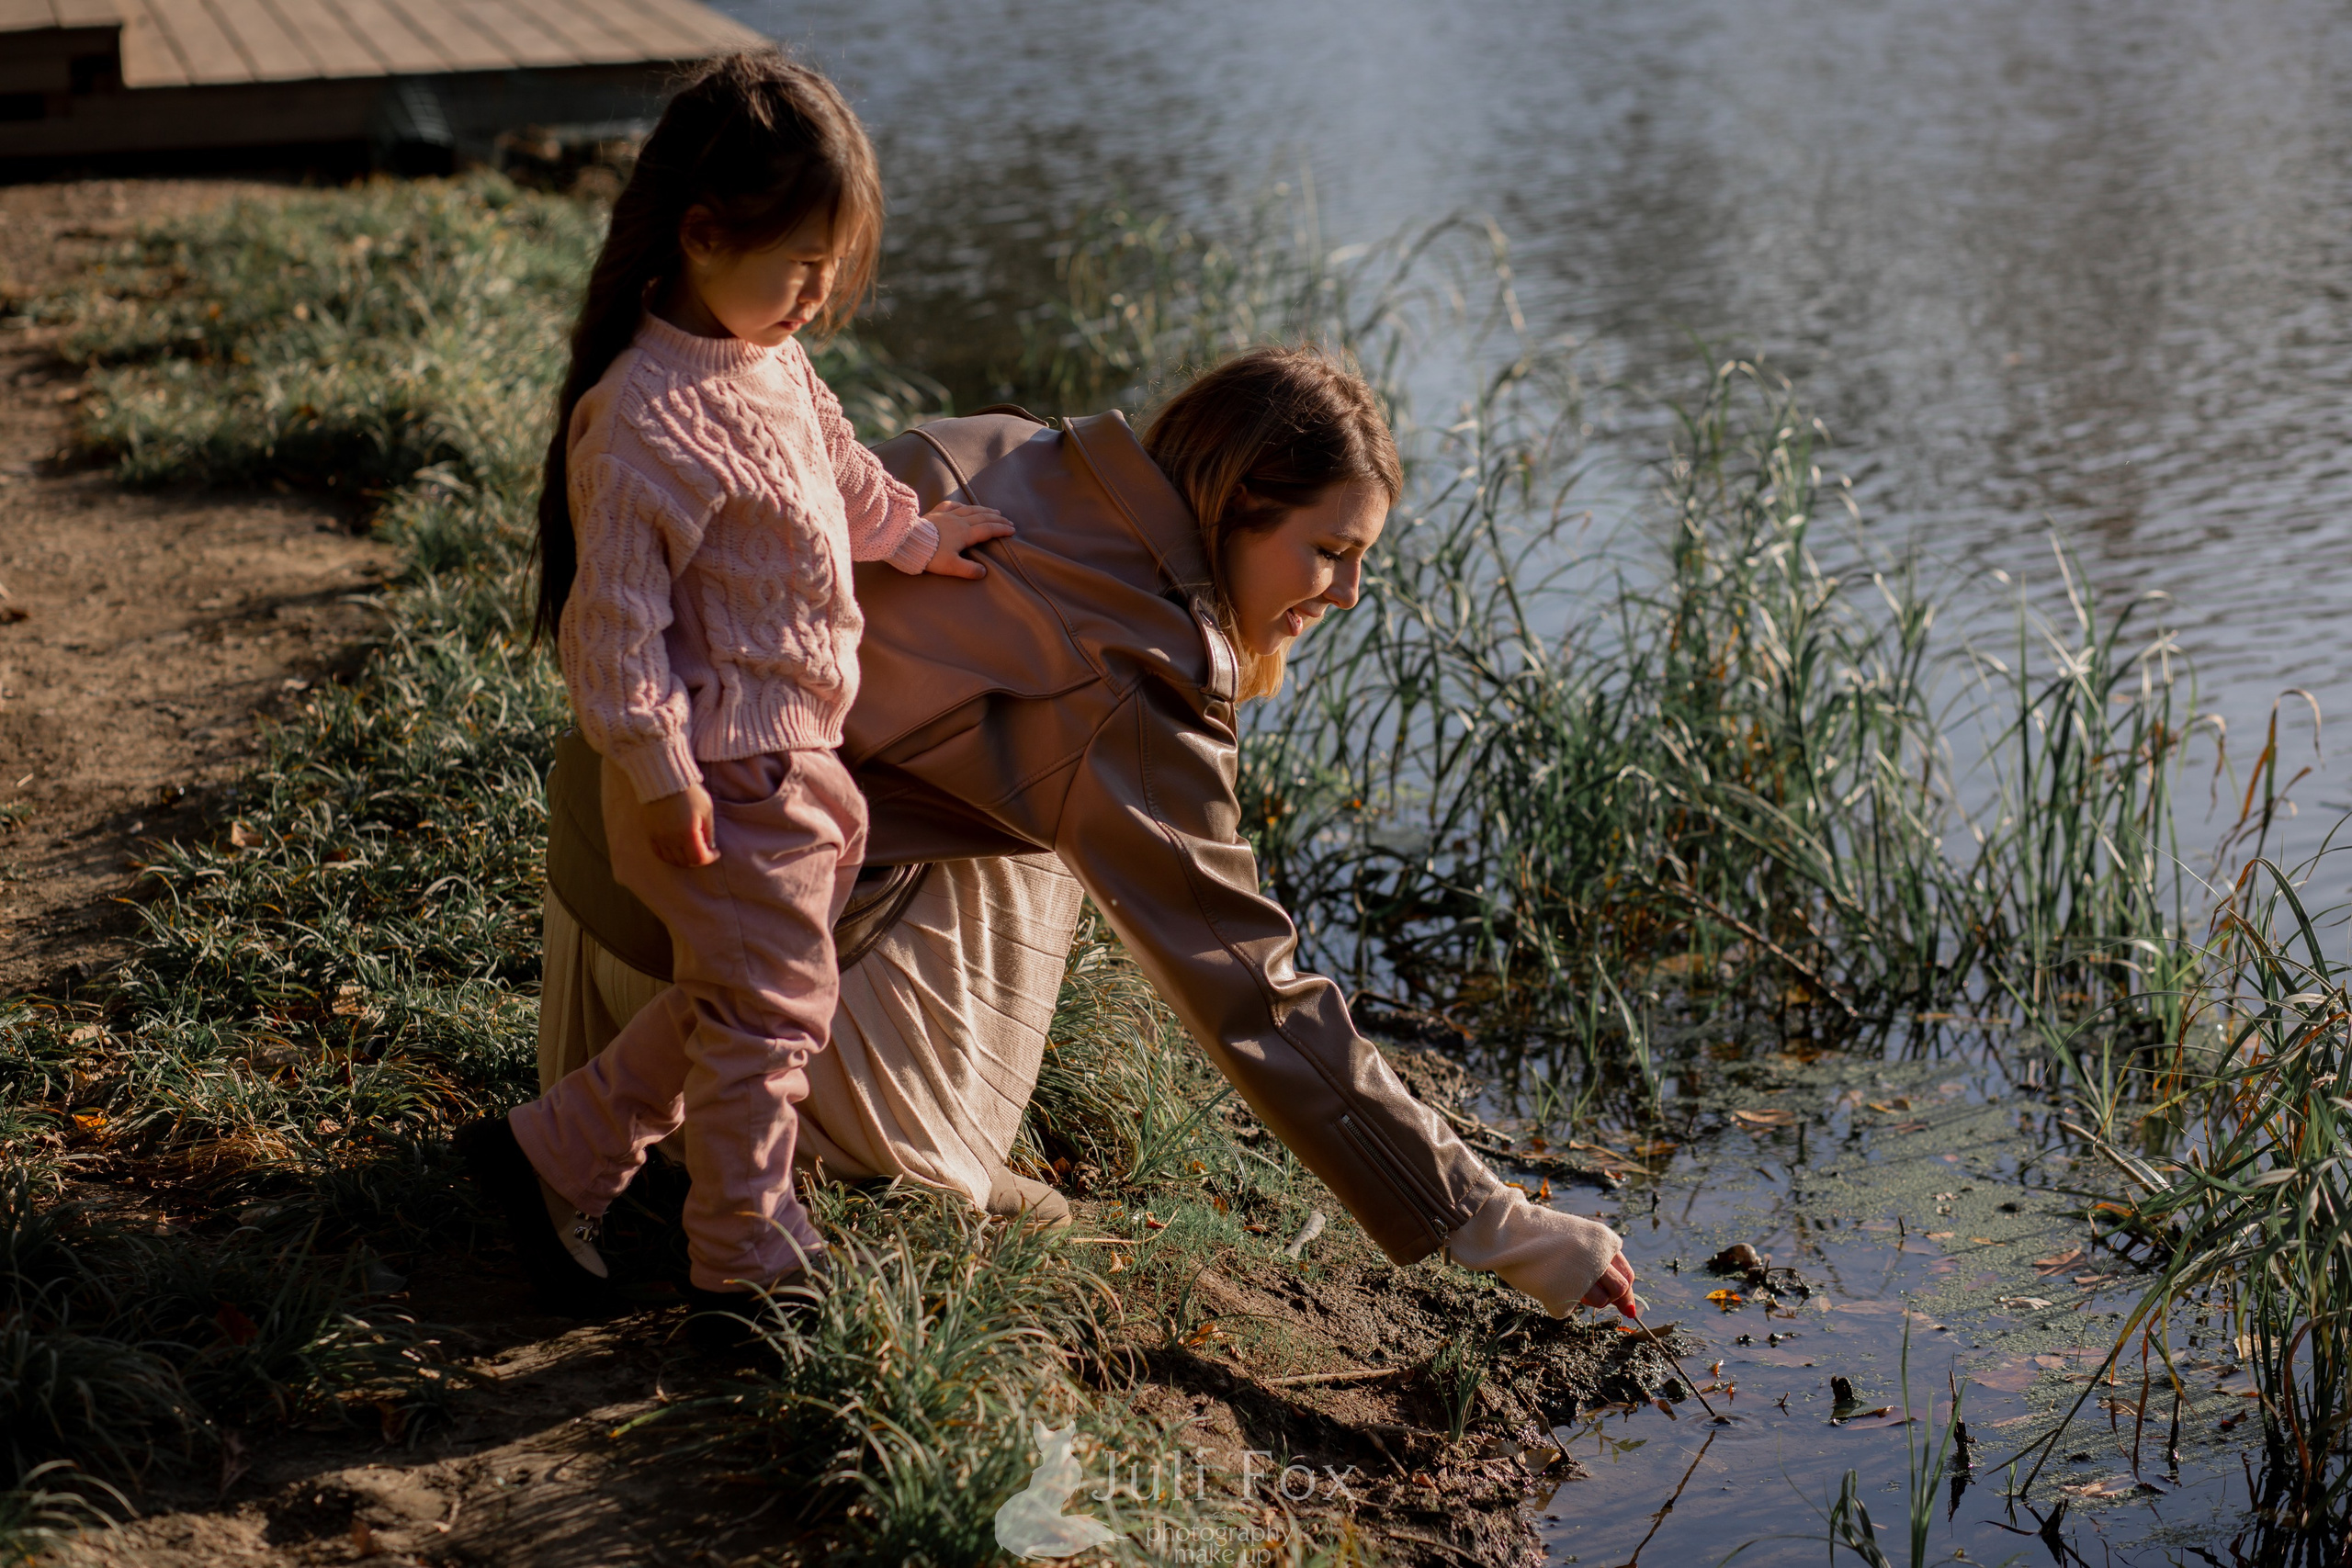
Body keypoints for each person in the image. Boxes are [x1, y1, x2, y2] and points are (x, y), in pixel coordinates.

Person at [526, 344, 1643, 1334]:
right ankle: (894, 1161)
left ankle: (590, 1133)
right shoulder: (1132, 680)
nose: (1348, 593)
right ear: (1239, 504)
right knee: (1064, 836)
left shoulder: (1004, 451)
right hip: (718, 976)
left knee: (965, 784)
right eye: (1329, 552)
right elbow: (1255, 994)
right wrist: (1500, 1226)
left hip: (600, 895)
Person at [454, 49, 1015, 1338]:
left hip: (798, 765)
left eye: (834, 270)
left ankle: (554, 1151)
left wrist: (922, 537)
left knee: (744, 995)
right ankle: (743, 1257)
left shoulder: (769, 361)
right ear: (704, 234)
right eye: (803, 266)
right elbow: (615, 634)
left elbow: (841, 469)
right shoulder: (641, 415)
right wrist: (657, 773)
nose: (819, 298)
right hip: (719, 779)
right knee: (772, 1015)